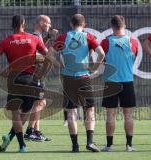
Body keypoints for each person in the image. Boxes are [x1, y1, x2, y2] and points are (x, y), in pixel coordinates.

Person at [0, 15, 49, 152]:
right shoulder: (33, 38)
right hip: (30, 79)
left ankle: (20, 144)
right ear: (24, 23)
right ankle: (11, 138)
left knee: (16, 113)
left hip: (14, 79)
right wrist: (38, 67)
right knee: (26, 112)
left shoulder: (6, 41)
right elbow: (46, 55)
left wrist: (1, 72)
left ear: (13, 24)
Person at [48, 13, 105, 152]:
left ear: (71, 25)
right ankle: (90, 142)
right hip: (83, 77)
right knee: (89, 109)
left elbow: (49, 54)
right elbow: (102, 53)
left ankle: (75, 146)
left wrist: (59, 66)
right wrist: (94, 68)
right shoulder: (88, 37)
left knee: (71, 111)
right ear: (84, 24)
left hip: (68, 78)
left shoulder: (63, 37)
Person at [101, 15, 138, 152]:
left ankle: (110, 145)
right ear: (125, 25)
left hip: (111, 82)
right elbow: (132, 59)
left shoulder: (105, 42)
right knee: (128, 115)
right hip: (127, 81)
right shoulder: (132, 42)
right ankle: (129, 145)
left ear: (111, 26)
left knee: (110, 114)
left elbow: (102, 59)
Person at [24, 15, 58, 142]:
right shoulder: (34, 36)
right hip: (35, 75)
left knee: (37, 103)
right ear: (42, 23)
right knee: (41, 102)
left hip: (37, 75)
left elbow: (40, 46)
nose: (49, 26)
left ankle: (36, 131)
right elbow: (36, 55)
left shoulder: (36, 36)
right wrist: (49, 58)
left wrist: (48, 37)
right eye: (48, 23)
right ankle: (29, 131)